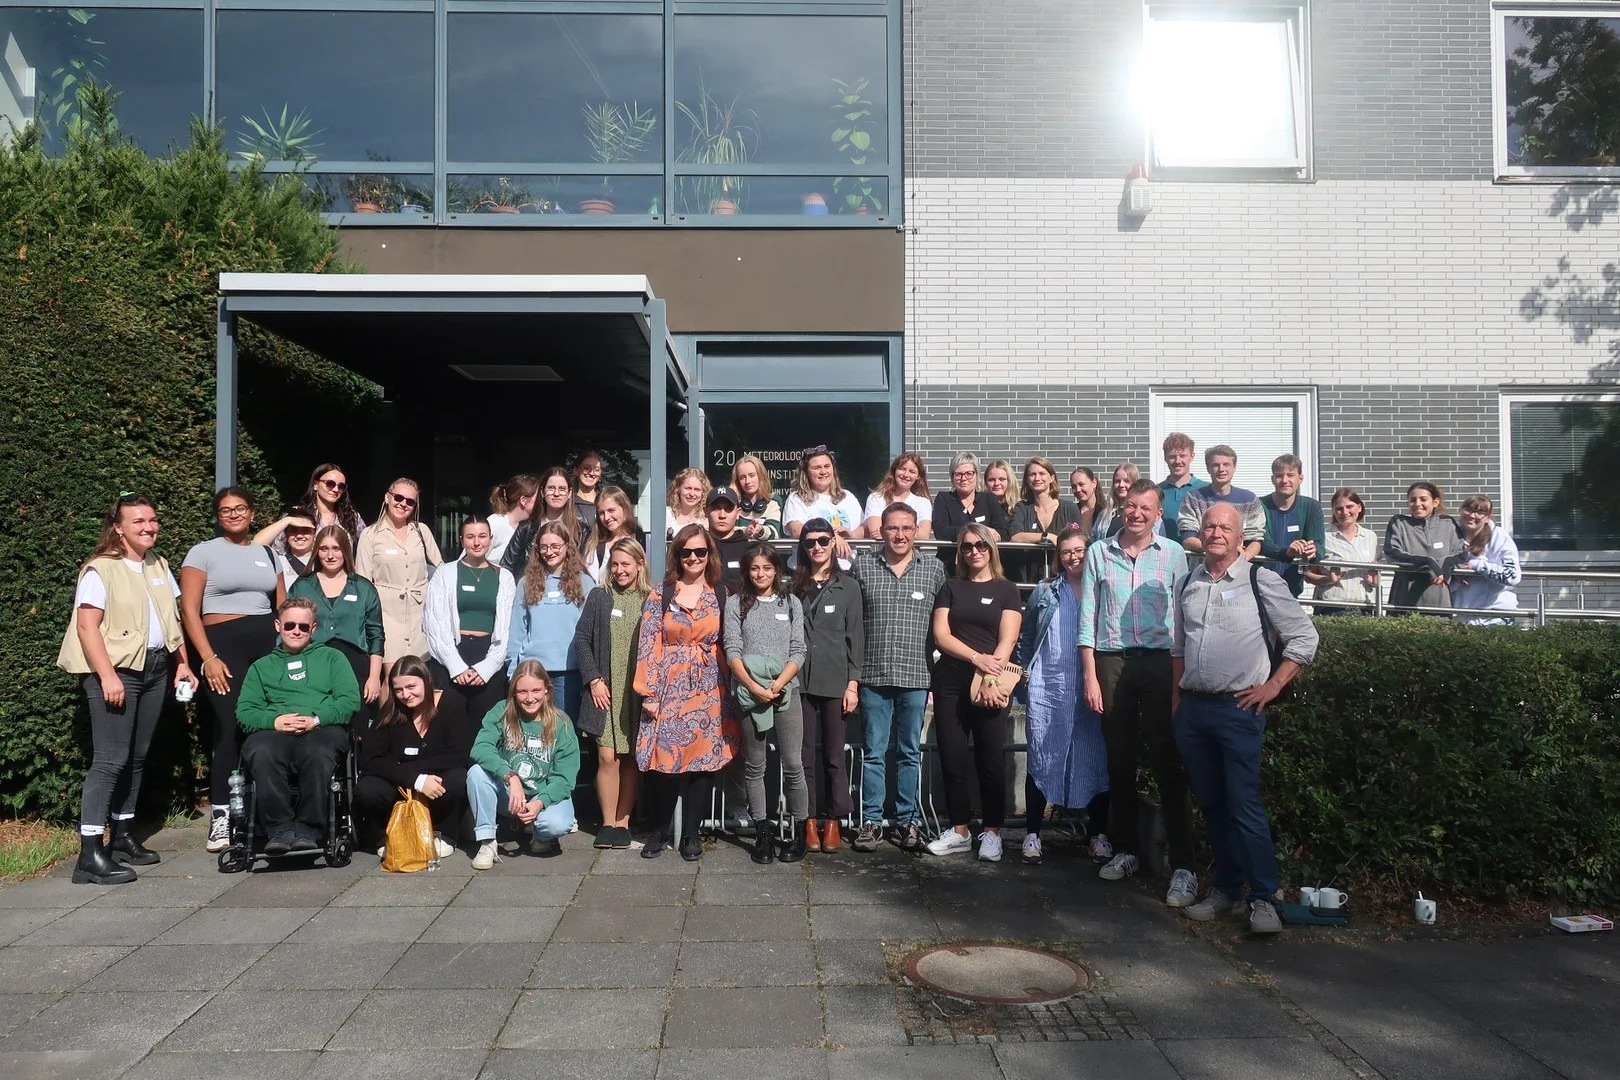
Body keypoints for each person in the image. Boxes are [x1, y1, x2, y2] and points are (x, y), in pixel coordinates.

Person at [1172, 502, 1319, 934]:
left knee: (1244, 805)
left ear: (1240, 537)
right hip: (1194, 711)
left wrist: (1273, 687)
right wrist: (1176, 707)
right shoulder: (1187, 582)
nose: (1216, 533)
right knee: (1213, 805)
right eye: (1210, 526)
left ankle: (1265, 898)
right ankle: (1227, 889)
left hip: (1238, 710)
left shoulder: (1261, 579)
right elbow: (1178, 649)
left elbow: (1304, 637)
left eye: (1225, 527)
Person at [60, 494, 198, 884]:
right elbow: (87, 627)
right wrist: (107, 676)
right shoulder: (100, 570)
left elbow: (172, 619)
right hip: (118, 671)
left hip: (154, 669)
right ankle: (89, 854)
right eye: (138, 521)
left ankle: (122, 837)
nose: (148, 527)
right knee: (109, 760)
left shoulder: (158, 564)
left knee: (136, 757)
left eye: (152, 520)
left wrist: (183, 661)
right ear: (118, 527)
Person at [1078, 480, 1199, 907]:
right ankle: (1126, 849)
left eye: (1146, 508)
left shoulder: (1173, 554)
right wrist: (1090, 676)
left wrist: (1179, 677)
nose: (1137, 514)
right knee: (1120, 760)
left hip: (1159, 662)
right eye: (1131, 506)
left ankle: (1184, 866)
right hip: (1111, 661)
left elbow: (1184, 618)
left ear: (1158, 513)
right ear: (1121, 507)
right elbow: (1088, 618)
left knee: (1169, 760)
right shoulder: (1098, 552)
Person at [181, 486, 281, 855]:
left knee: (268, 724)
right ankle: (222, 815)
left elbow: (281, 609)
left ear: (253, 513)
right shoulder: (203, 552)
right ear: (218, 516)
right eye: (226, 510)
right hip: (222, 646)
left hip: (265, 648)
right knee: (228, 727)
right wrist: (207, 657)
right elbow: (190, 611)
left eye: (241, 509)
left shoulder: (269, 554)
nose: (234, 515)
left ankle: (264, 811)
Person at [634, 524, 739, 860]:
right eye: (686, 552)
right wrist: (647, 692)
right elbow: (648, 643)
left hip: (710, 687)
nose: (693, 558)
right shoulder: (661, 593)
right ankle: (659, 831)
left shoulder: (721, 594)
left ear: (710, 554)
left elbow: (731, 642)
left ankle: (691, 834)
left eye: (700, 551)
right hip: (668, 688)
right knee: (664, 762)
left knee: (702, 764)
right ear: (677, 555)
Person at [847, 503, 947, 852]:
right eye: (893, 528)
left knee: (909, 752)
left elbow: (945, 623)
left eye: (907, 528)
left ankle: (908, 822)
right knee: (873, 752)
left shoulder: (934, 570)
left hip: (916, 675)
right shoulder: (863, 567)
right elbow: (852, 623)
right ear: (882, 530)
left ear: (917, 530)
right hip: (873, 674)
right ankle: (871, 822)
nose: (900, 535)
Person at [1013, 526, 1110, 868]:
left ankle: (1097, 835)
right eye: (1066, 552)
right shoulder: (1045, 592)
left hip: (1090, 684)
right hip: (1049, 683)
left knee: (1094, 754)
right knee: (1042, 754)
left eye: (1079, 551)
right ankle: (1032, 834)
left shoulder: (1104, 590)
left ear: (1090, 551)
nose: (1073, 557)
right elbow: (1026, 637)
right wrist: (1024, 674)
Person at [926, 525, 1023, 860]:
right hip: (951, 680)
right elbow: (941, 635)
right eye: (967, 547)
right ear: (960, 552)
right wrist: (974, 657)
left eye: (981, 544)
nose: (974, 551)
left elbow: (1008, 639)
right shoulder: (951, 587)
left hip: (991, 680)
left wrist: (991, 676)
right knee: (953, 757)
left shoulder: (1007, 589)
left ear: (991, 548)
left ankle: (992, 831)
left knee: (990, 758)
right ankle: (960, 830)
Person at [235, 597, 359, 854]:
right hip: (275, 731)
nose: (296, 631)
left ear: (313, 629)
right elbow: (245, 712)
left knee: (317, 751)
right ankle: (279, 829)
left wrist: (316, 719)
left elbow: (349, 701)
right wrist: (274, 721)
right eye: (290, 625)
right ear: (278, 625)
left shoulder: (332, 658)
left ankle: (309, 828)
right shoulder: (261, 667)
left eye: (303, 627)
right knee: (261, 750)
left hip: (321, 728)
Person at [725, 543, 808, 864]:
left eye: (767, 568)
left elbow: (798, 649)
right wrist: (754, 687)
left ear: (777, 570)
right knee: (754, 765)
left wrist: (778, 683)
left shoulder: (791, 603)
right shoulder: (736, 604)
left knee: (793, 764)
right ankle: (761, 833)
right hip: (750, 693)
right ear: (747, 570)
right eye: (755, 568)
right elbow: (732, 650)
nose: (761, 574)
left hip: (786, 690)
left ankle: (799, 831)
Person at [355, 655, 475, 860]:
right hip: (401, 784)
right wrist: (415, 779)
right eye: (398, 689)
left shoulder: (451, 704)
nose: (405, 695)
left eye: (411, 686)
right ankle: (384, 837)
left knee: (459, 779)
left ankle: (445, 834)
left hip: (438, 781)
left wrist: (420, 772)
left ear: (426, 681)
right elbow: (369, 759)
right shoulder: (391, 711)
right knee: (368, 789)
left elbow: (461, 753)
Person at [792, 519, 864, 855]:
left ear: (833, 542)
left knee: (835, 755)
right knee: (804, 755)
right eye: (810, 543)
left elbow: (855, 639)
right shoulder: (794, 586)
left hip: (836, 682)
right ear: (803, 547)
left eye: (823, 541)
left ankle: (834, 819)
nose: (817, 548)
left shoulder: (848, 586)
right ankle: (808, 820)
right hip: (801, 683)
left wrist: (853, 684)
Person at [574, 538, 651, 850]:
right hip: (605, 690)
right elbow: (581, 640)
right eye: (615, 564)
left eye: (625, 564)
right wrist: (593, 679)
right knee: (607, 756)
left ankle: (623, 821)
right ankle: (607, 823)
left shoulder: (650, 599)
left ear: (639, 565)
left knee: (631, 757)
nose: (619, 570)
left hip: (635, 691)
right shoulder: (599, 596)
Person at [467, 661, 582, 864]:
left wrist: (539, 802)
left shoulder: (561, 723)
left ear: (547, 689)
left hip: (542, 793)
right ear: (513, 692)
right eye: (522, 692)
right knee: (476, 773)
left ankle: (541, 835)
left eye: (536, 690)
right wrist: (510, 777)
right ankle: (487, 841)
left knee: (557, 824)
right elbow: (481, 747)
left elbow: (564, 777)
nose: (530, 699)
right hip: (510, 794)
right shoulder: (501, 711)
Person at [288, 526, 385, 737]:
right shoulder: (302, 586)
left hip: (356, 667)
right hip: (312, 665)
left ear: (346, 551)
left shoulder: (363, 587)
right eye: (324, 549)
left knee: (358, 730)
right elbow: (287, 631)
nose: (330, 555)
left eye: (336, 548)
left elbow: (376, 635)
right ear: (316, 552)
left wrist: (374, 677)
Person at [425, 516, 517, 723]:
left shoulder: (505, 577)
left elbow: (508, 628)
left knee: (485, 729)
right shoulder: (444, 573)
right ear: (461, 540)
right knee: (448, 726)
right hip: (451, 655)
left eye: (482, 536)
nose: (477, 542)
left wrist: (488, 666)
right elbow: (434, 622)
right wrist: (455, 665)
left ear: (491, 539)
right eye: (470, 537)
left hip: (489, 657)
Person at [508, 520, 595, 722]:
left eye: (555, 546)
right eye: (544, 547)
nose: (549, 552)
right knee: (533, 732)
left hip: (569, 673)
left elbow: (590, 632)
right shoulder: (526, 582)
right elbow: (517, 630)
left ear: (567, 546)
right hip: (534, 670)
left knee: (563, 731)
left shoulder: (585, 583)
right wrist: (513, 671)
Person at [355, 477, 443, 666]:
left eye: (410, 501)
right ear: (387, 498)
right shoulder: (370, 535)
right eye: (398, 498)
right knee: (391, 673)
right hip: (387, 614)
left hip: (419, 613)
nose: (403, 504)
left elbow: (442, 569)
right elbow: (362, 581)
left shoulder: (422, 531)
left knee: (419, 673)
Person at [1385, 482, 1467, 612]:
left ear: (1435, 502)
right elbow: (1392, 553)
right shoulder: (1399, 523)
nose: (1417, 504)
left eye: (1423, 499)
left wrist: (1448, 563)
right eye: (1412, 500)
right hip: (1404, 603)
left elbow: (1462, 554)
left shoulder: (1448, 524)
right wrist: (1427, 562)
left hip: (1441, 603)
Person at [1257, 455, 1326, 598]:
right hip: (1258, 587)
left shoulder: (1312, 507)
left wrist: (1313, 551)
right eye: (1279, 475)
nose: (1284, 480)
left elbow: (1319, 544)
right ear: (1272, 479)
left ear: (1300, 479)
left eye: (1290, 475)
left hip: (1292, 589)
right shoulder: (1259, 505)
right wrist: (1286, 552)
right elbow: (1260, 541)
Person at [1177, 446, 1263, 557]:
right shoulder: (1193, 498)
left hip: (1239, 569)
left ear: (1234, 467)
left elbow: (1256, 540)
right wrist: (1222, 549)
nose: (1221, 469)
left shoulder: (1249, 500)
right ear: (1208, 468)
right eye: (1215, 465)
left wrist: (1244, 557)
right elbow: (1188, 539)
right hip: (1202, 569)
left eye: (1226, 464)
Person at [1305, 489, 1380, 615]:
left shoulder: (1371, 537)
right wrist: (1329, 579)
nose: (1345, 512)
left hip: (1364, 607)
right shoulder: (1323, 537)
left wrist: (1375, 581)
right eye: (1339, 509)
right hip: (1331, 607)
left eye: (1349, 506)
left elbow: (1375, 572)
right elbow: (1308, 574)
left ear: (1359, 507)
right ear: (1333, 511)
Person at [1009, 457, 1082, 584]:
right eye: (1032, 474)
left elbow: (1079, 540)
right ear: (1027, 479)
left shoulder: (1070, 508)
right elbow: (1015, 537)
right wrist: (1047, 536)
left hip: (1063, 580)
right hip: (1028, 580)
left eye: (1042, 473)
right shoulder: (1022, 508)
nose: (1037, 478)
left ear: (1052, 478)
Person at [1452, 495, 1522, 625]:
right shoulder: (1450, 534)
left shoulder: (1499, 537)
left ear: (1488, 518)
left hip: (1495, 618)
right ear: (1460, 510)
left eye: (1480, 512)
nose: (1472, 515)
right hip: (1460, 618)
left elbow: (1513, 576)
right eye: (1468, 509)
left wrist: (1477, 566)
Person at [502, 468, 586, 575]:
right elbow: (506, 567)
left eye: (562, 489)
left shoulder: (582, 531)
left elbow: (585, 571)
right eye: (551, 488)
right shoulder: (527, 529)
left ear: (569, 493)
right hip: (530, 589)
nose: (556, 493)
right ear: (542, 492)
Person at [783, 446, 864, 538]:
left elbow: (864, 528)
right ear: (806, 473)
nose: (823, 472)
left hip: (849, 553)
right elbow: (796, 531)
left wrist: (852, 534)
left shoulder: (848, 497)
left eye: (827, 466)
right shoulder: (796, 498)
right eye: (816, 468)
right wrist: (832, 538)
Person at [282, 462, 365, 550]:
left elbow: (369, 544)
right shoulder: (298, 515)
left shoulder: (352, 517)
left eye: (341, 486)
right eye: (330, 484)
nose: (336, 489)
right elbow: (279, 550)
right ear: (315, 485)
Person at [932, 452, 1011, 543]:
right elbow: (941, 532)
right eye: (958, 474)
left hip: (983, 555)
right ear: (952, 477)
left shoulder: (988, 499)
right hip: (952, 556)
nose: (963, 478)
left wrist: (960, 532)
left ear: (977, 476)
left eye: (969, 473)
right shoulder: (944, 499)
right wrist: (981, 531)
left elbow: (1003, 533)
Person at [583, 486, 645, 586]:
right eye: (601, 513)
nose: (606, 517)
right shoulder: (597, 548)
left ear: (624, 508)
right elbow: (591, 586)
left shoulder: (642, 540)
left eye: (611, 510)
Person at [864, 453, 934, 540]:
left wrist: (890, 530)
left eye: (912, 472)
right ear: (894, 471)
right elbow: (876, 531)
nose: (906, 475)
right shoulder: (876, 498)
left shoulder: (923, 503)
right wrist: (910, 531)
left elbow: (924, 535)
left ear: (918, 477)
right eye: (902, 469)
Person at [1092, 463, 1165, 541]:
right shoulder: (1104, 514)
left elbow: (1160, 543)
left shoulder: (1151, 514)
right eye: (1117, 481)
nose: (1121, 485)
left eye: (1127, 481)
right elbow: (1094, 539)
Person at [705, 486, 753, 591]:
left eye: (728, 509)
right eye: (716, 508)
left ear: (738, 513)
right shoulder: (698, 547)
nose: (722, 515)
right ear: (706, 511)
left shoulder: (749, 551)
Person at [255, 511, 318, 590]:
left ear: (314, 534)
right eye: (293, 531)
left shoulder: (323, 561)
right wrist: (287, 520)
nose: (299, 536)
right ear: (286, 534)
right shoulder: (278, 561)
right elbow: (255, 547)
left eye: (306, 531)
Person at [487, 474, 539, 567]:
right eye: (538, 497)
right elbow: (469, 560)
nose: (541, 502)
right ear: (523, 500)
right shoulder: (494, 523)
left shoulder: (530, 527)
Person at [1157, 433, 1205, 532]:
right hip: (1164, 547)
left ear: (1192, 456)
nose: (1177, 461)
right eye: (1172, 456)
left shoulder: (1206, 489)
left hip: (1197, 547)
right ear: (1165, 457)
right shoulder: (1156, 491)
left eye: (1182, 456)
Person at [732, 453, 783, 540]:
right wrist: (744, 531)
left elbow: (774, 532)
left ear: (761, 476)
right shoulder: (732, 501)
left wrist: (761, 530)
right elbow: (725, 530)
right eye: (742, 477)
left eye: (752, 475)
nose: (747, 481)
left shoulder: (774, 500)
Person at [664, 467, 710, 540]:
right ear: (678, 489)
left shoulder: (707, 517)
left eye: (697, 490)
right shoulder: (667, 515)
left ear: (703, 493)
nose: (692, 494)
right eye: (688, 488)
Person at [572, 451, 605, 535]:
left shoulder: (605, 501)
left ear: (600, 473)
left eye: (596, 469)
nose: (591, 473)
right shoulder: (568, 502)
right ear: (576, 470)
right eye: (586, 468)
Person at [1070, 467, 1104, 539]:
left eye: (1081, 484)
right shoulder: (1071, 512)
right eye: (1074, 486)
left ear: (1094, 483)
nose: (1078, 490)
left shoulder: (1105, 511)